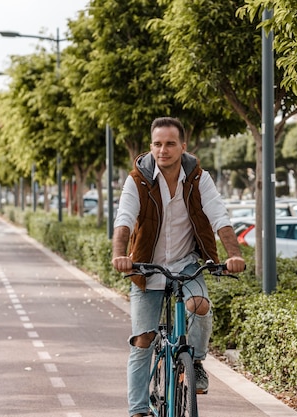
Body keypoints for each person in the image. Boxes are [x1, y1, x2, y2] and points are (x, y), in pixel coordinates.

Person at [111, 116, 246, 417]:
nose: (163, 150)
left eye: (170, 144)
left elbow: (219, 217)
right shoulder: (138, 180)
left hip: (186, 265)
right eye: (158, 144)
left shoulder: (199, 178)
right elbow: (123, 220)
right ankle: (138, 410)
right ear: (151, 147)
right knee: (143, 340)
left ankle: (195, 362)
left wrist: (233, 254)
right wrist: (120, 255)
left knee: (200, 304)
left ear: (183, 146)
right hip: (146, 269)